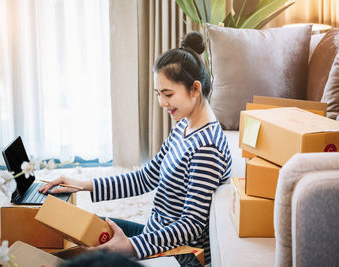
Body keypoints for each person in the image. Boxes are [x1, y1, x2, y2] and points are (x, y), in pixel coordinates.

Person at [39, 31, 232, 265]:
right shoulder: (184, 127)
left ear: (195, 89)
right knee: (79, 225)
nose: (162, 103)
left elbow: (190, 226)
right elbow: (146, 177)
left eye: (168, 94)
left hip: (178, 254)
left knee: (92, 255)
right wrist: (82, 184)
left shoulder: (207, 147)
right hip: (155, 234)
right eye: (159, 94)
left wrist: (129, 247)